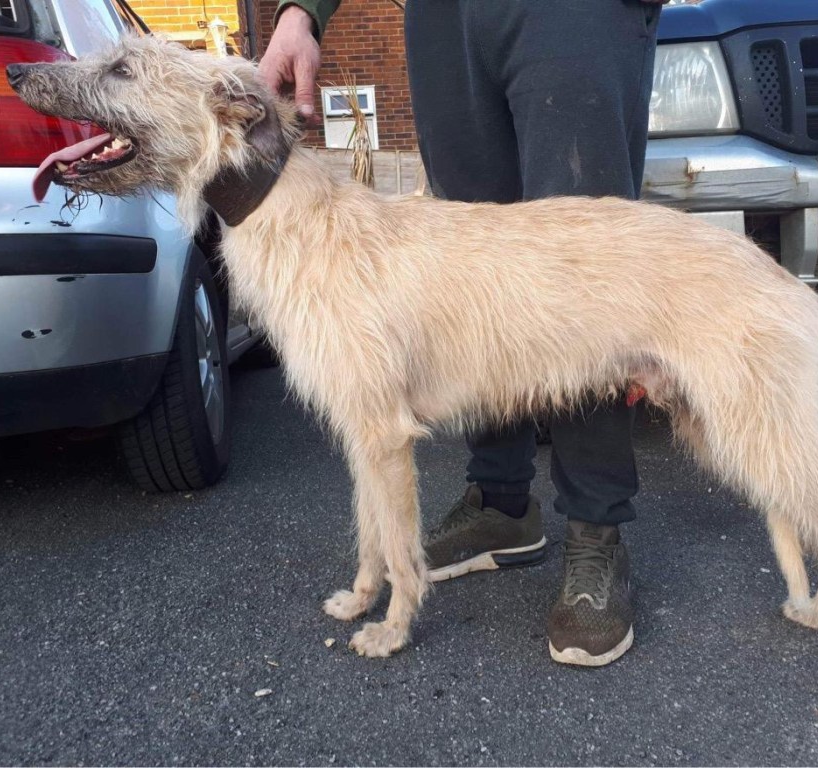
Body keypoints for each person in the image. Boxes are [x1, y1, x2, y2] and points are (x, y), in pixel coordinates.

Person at [261, 0, 665, 667]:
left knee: (585, 269)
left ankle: (596, 528)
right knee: (470, 269)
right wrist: (302, 10)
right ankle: (501, 506)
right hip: (446, 17)